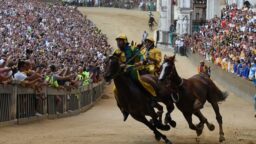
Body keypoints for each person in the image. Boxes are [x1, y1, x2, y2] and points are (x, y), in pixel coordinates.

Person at [112, 34, 158, 121]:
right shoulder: (117, 52)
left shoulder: (133, 49)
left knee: (139, 81)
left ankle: (152, 97)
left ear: (125, 42)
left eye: (120, 41)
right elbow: (112, 60)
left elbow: (141, 56)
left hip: (132, 70)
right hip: (122, 73)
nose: (118, 43)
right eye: (117, 41)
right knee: (115, 89)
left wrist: (140, 62)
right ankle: (123, 109)